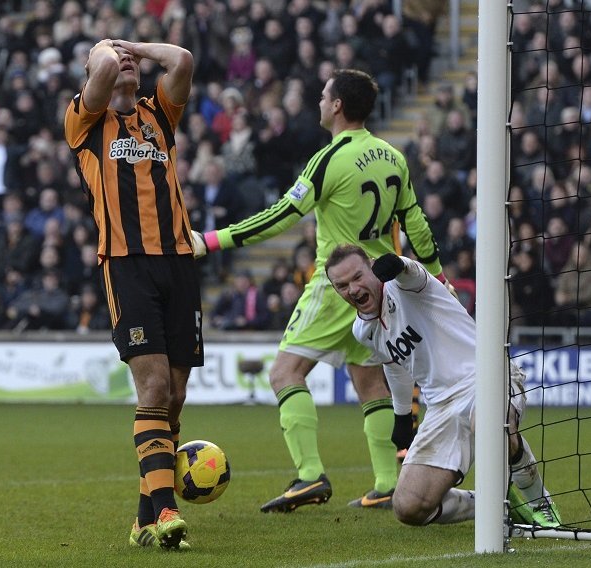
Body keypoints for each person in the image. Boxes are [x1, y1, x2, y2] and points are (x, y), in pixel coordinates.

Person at [192, 69, 450, 512]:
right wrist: (438, 278)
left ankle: (309, 476)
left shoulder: (329, 159)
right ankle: (388, 481)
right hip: (382, 290)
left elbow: (280, 216)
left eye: (323, 95)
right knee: (370, 384)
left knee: (284, 374)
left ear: (337, 106)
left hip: (338, 284)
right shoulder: (393, 155)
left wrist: (214, 239)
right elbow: (416, 225)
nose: (318, 101)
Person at [64, 38, 201, 550]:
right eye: (109, 57)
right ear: (91, 71)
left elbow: (182, 60)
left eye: (129, 59)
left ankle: (145, 517)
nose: (121, 61)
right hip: (127, 266)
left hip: (180, 263)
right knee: (154, 390)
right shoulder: (85, 120)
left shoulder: (159, 114)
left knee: (177, 395)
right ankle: (167, 511)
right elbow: (99, 69)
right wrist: (109, 53)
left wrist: (133, 46)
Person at [324, 245, 561, 528]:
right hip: (441, 407)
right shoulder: (362, 330)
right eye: (342, 285)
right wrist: (402, 417)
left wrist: (396, 263)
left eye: (357, 277)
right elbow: (396, 366)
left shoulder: (406, 288)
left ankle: (539, 503)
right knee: (408, 506)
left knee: (487, 423)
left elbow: (413, 272)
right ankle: (495, 506)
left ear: (373, 266)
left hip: (488, 375)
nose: (352, 288)